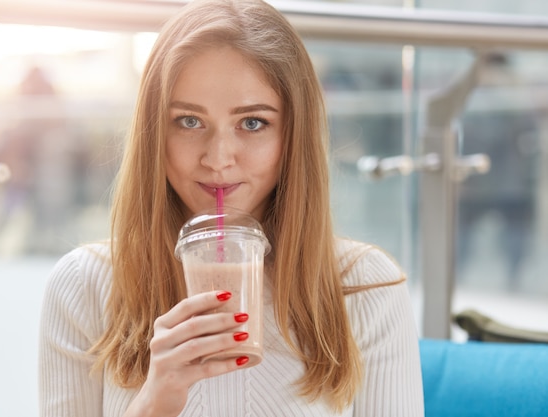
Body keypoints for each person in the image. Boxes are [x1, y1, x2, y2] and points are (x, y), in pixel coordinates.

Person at [38, 1, 424, 416]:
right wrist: (153, 403)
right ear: (154, 133)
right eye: (189, 121)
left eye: (253, 122)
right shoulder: (84, 286)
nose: (219, 158)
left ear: (294, 135)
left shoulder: (366, 288)